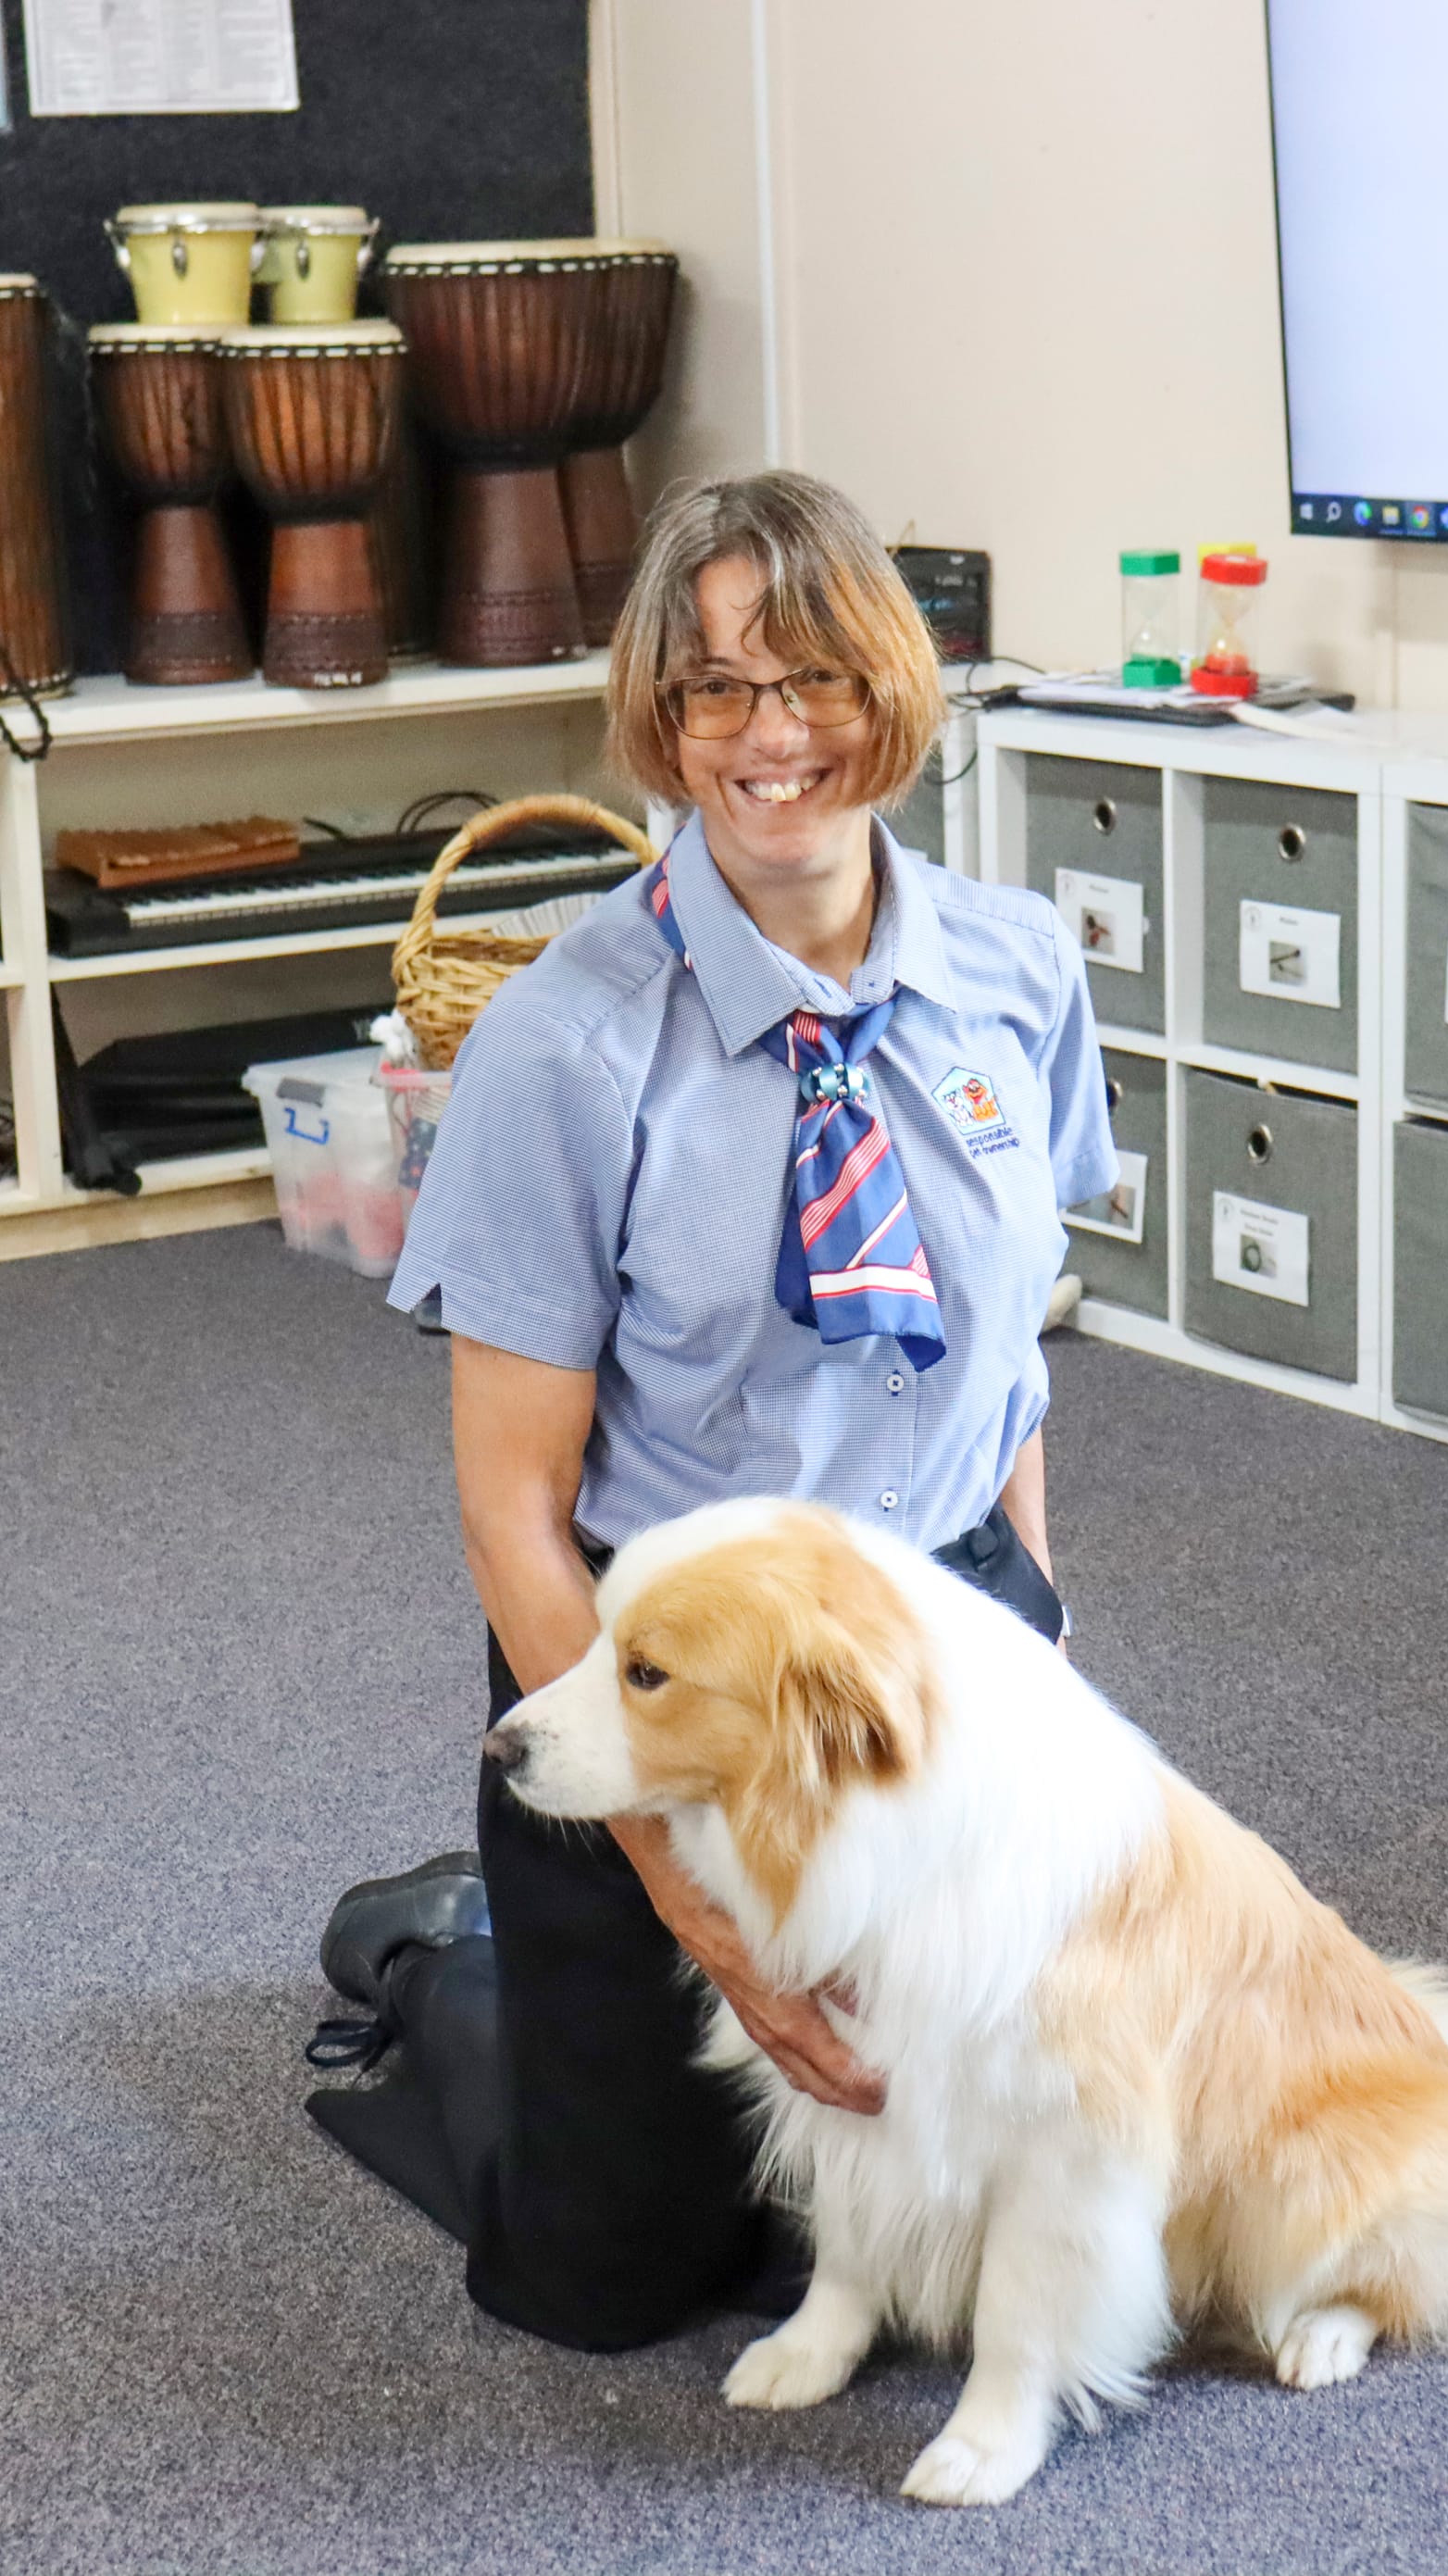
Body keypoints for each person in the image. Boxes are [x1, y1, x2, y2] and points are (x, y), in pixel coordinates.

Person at [303, 469, 1119, 2351]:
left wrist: (1038, 1628)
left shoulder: (1017, 967)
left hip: (943, 1623)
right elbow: (513, 1506)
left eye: (813, 675)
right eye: (715, 689)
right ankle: (449, 1958)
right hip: (663, 1666)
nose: (770, 735)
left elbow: (1003, 1348)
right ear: (661, 722)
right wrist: (691, 1901)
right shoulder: (565, 1043)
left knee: (959, 2193)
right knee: (625, 2281)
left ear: (893, 686)